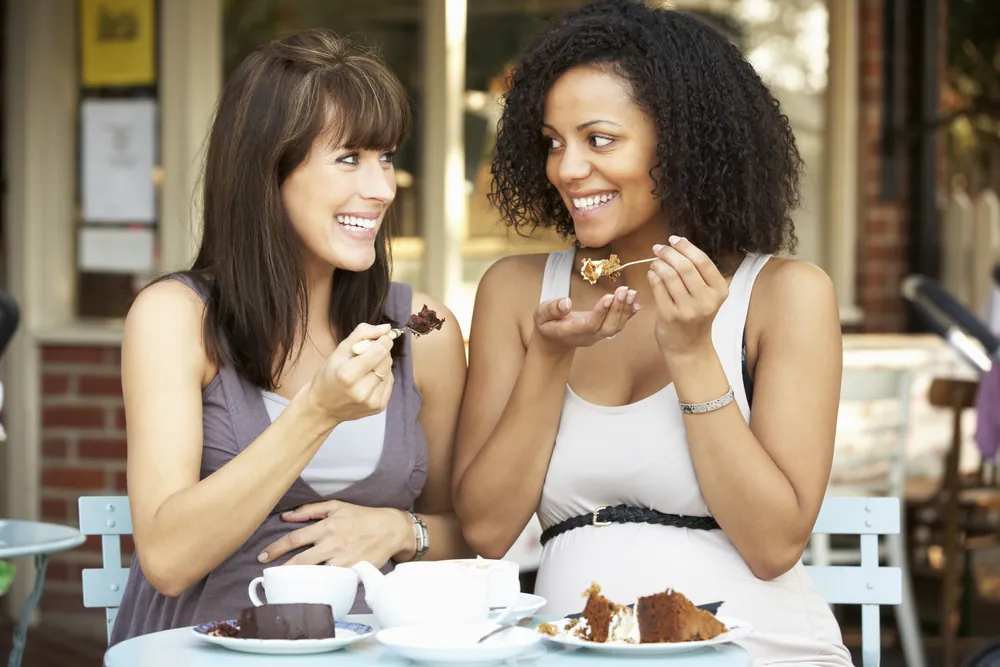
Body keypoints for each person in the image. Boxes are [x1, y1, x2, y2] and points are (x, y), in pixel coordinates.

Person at [452, 1, 851, 665]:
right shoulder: (519, 293)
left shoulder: (783, 295)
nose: (567, 169)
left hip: (758, 648)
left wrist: (694, 353)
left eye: (598, 139)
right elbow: (488, 531)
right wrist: (550, 357)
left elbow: (773, 543)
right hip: (569, 652)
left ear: (683, 142)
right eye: (554, 141)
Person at [112, 29, 470, 644]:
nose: (383, 188)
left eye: (386, 157)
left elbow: (470, 531)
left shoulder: (422, 331)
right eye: (349, 158)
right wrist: (316, 415)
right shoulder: (176, 319)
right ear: (267, 170)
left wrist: (402, 530)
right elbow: (167, 560)